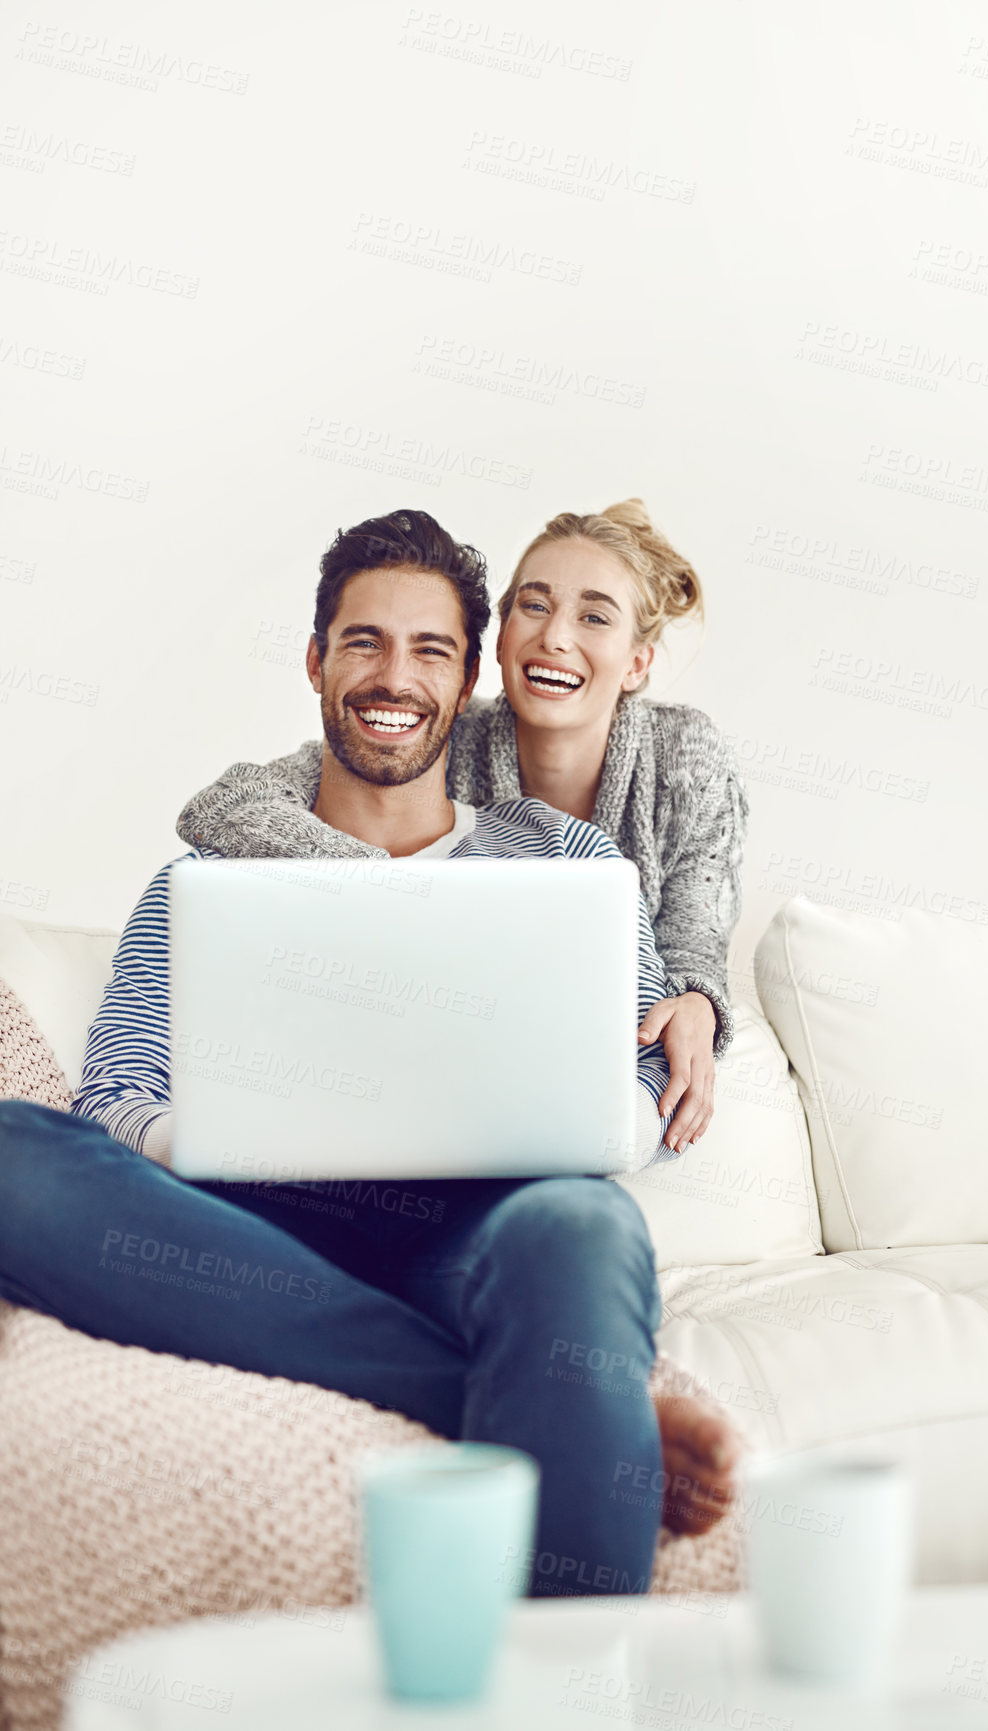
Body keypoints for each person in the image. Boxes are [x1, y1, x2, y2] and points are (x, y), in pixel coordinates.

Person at [0, 510, 739, 1600]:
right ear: (315, 660)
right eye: (364, 642)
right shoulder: (202, 880)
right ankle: (529, 1402)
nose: (394, 675)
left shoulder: (566, 861)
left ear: (469, 677)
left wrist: (613, 1088)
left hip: (478, 1229)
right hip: (253, 1224)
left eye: (430, 649)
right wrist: (216, 1138)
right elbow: (116, 1092)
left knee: (580, 1223)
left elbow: (635, 1080)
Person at [182, 500, 749, 1157]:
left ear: (636, 664)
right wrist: (375, 880)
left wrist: (698, 1001)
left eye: (594, 616)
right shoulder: (436, 733)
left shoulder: (684, 754)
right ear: (499, 638)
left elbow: (695, 926)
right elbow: (230, 802)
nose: (555, 637)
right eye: (532, 606)